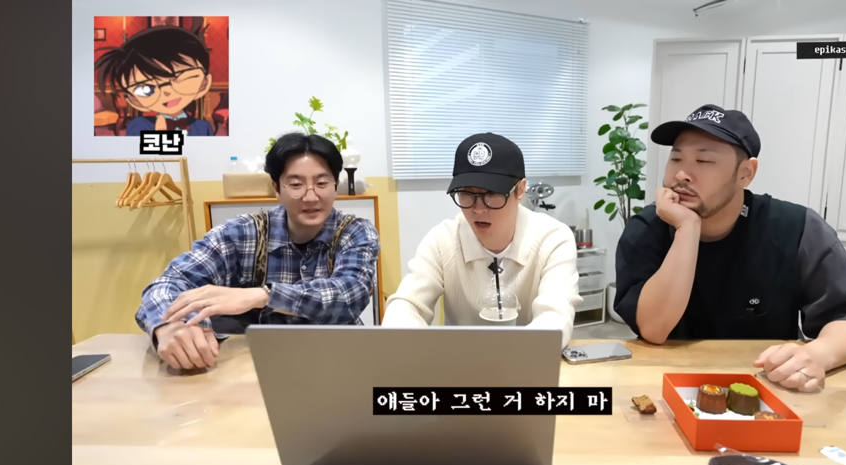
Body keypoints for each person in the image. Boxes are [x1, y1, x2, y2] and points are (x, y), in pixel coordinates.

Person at [613, 104, 846, 392]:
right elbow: (654, 329)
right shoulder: (647, 229)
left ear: (745, 173)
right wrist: (687, 228)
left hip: (767, 386)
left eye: (703, 160)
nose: (681, 174)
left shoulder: (794, 227)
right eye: (676, 158)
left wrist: (819, 354)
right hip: (666, 384)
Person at [135, 131, 381, 370]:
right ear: (276, 187)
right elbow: (168, 283)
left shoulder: (354, 232)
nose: (310, 196)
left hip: (335, 363)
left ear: (335, 185)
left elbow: (350, 293)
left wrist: (262, 295)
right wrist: (170, 326)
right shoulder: (243, 233)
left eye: (322, 183)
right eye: (296, 184)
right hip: (251, 369)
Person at [381, 133, 581, 349]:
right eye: (466, 193)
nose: (478, 208)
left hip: (527, 362)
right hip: (457, 363)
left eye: (491, 194)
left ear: (520, 190)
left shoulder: (553, 239)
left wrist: (519, 355)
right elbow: (407, 305)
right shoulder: (442, 240)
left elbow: (555, 317)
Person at [95, 22, 216, 136]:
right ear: (134, 100)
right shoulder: (138, 126)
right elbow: (135, 151)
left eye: (181, 79)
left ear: (204, 83)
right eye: (146, 89)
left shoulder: (203, 127)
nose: (166, 92)